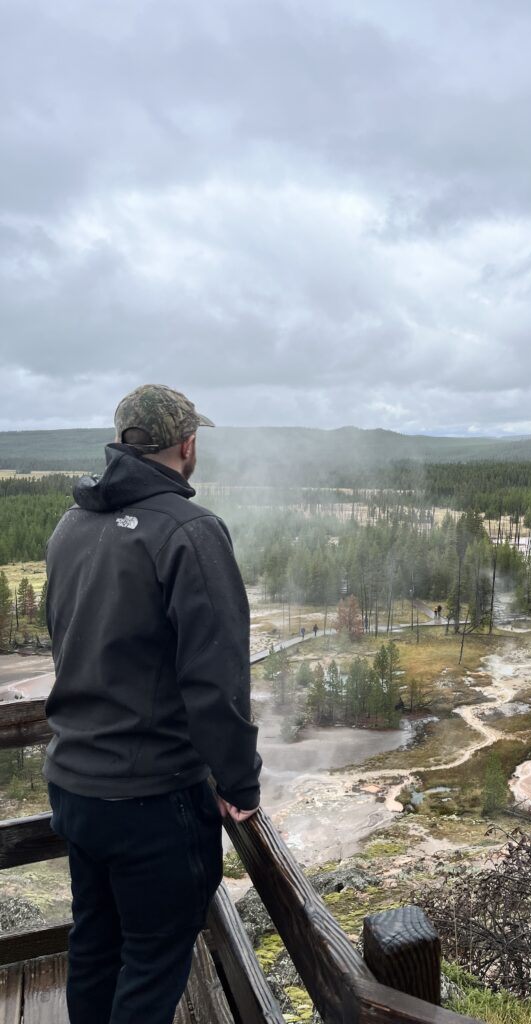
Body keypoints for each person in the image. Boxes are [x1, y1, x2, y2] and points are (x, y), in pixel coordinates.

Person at [44, 383, 262, 1024]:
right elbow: (216, 677)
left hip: (76, 787)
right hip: (151, 797)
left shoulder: (71, 523)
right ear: (188, 445)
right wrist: (239, 782)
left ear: (122, 443)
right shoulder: (191, 531)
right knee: (152, 960)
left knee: (94, 943)